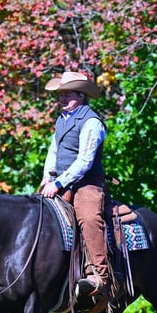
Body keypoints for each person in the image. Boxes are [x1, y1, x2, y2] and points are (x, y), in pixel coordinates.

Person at [39, 70, 110, 301]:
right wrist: (47, 178)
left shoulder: (92, 122)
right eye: (60, 95)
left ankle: (100, 276)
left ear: (81, 95)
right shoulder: (62, 120)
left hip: (87, 184)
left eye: (67, 94)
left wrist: (58, 182)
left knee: (89, 218)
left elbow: (85, 161)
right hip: (60, 183)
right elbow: (53, 151)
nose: (61, 99)